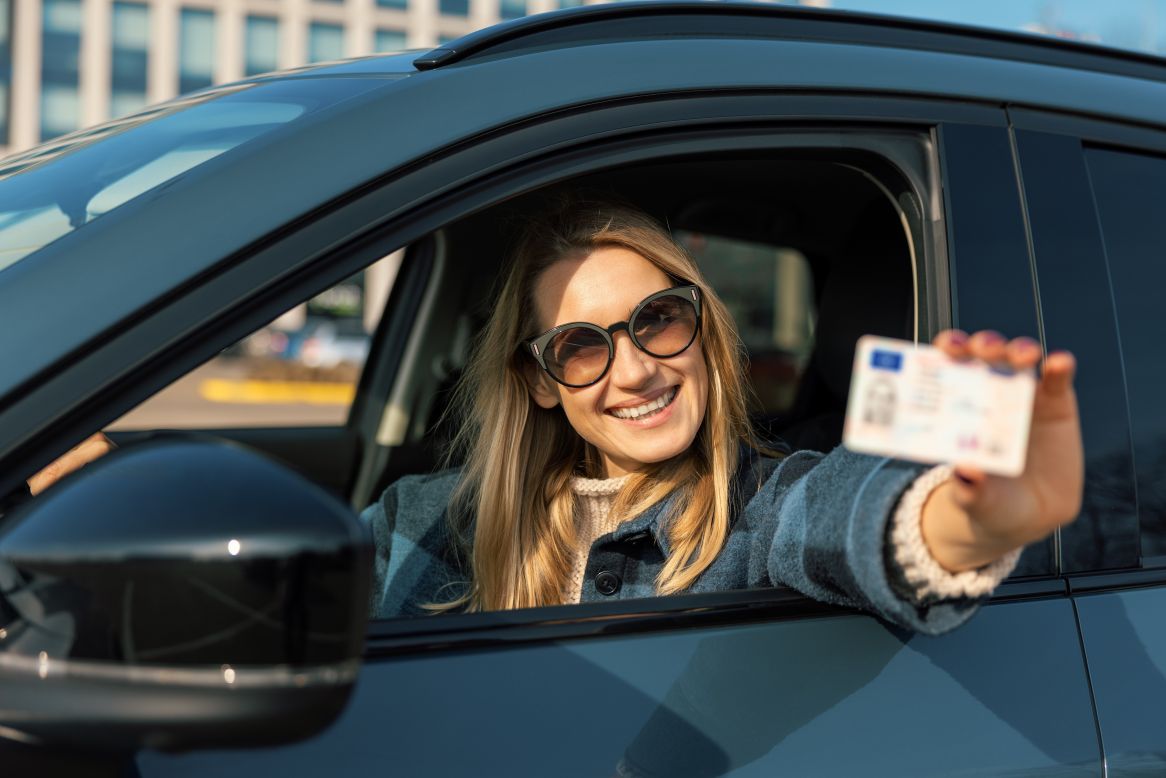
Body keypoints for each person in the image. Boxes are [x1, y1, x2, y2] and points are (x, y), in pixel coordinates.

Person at [363, 199, 1083, 634]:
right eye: (581, 347)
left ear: (704, 327)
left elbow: (846, 514)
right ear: (539, 381)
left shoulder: (762, 508)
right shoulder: (415, 524)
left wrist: (973, 521)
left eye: (660, 318)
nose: (638, 368)